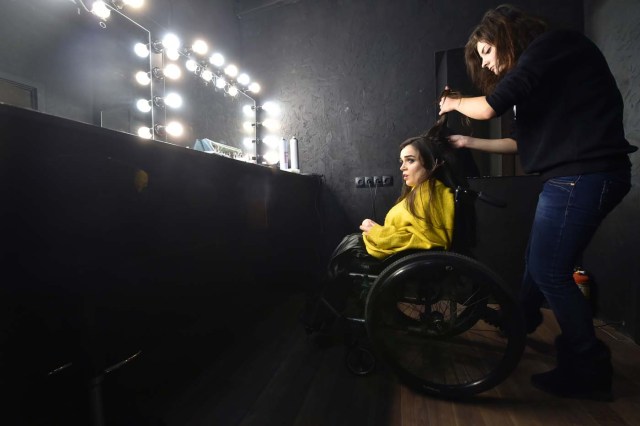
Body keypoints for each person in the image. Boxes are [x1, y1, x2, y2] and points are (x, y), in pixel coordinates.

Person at [438, 4, 637, 401]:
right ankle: (521, 321)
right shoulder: (544, 73)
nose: (488, 65)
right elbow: (520, 145)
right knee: (538, 263)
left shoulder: (551, 46)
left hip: (583, 175)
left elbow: (489, 106)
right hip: (571, 177)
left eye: (487, 53)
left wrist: (455, 103)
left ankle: (589, 370)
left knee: (550, 272)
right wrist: (466, 141)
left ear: (505, 36)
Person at [301, 118, 464, 329]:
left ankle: (324, 316)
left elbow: (430, 240)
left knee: (338, 263)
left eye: (410, 160)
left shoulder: (431, 194)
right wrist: (378, 230)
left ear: (431, 162)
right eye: (401, 161)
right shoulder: (421, 191)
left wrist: (376, 232)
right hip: (394, 252)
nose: (402, 167)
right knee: (341, 253)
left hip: (404, 261)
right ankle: (324, 311)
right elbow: (413, 232)